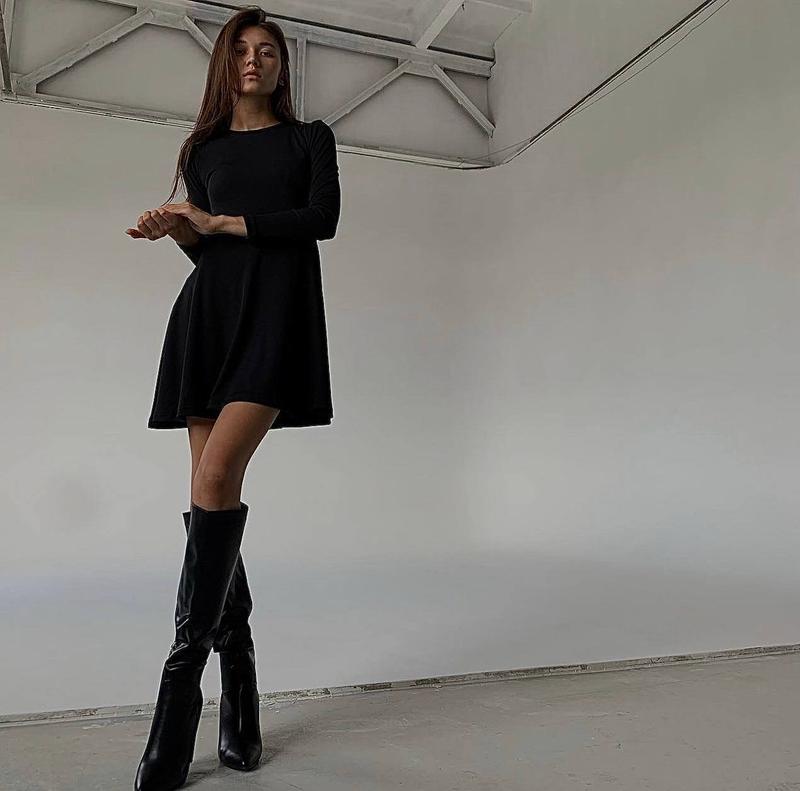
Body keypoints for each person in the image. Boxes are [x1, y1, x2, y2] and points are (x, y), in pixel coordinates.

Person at [124, 7, 341, 789]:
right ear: (225, 63)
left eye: (268, 50)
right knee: (208, 494)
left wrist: (217, 218)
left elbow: (321, 219)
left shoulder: (309, 139)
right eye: (242, 50)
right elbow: (210, 250)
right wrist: (181, 228)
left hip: (276, 320)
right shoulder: (203, 150)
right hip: (209, 318)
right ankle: (239, 672)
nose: (255, 60)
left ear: (282, 64)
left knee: (215, 481)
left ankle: (179, 688)